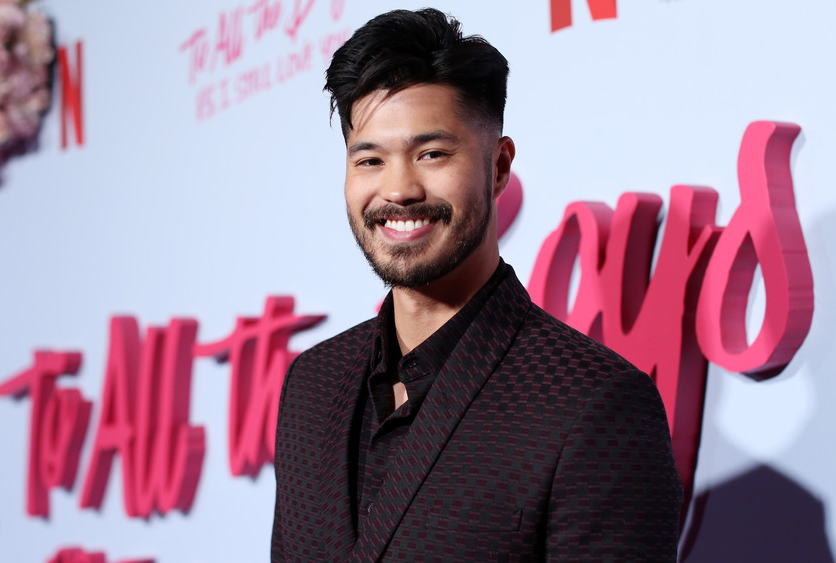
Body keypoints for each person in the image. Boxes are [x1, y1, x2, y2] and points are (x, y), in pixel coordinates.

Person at [271, 8, 682, 561]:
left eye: (431, 154)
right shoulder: (312, 385)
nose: (398, 189)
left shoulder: (594, 405)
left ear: (499, 165)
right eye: (368, 159)